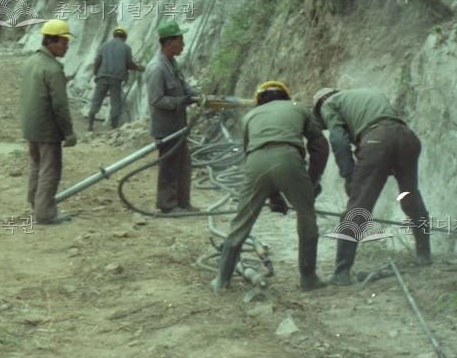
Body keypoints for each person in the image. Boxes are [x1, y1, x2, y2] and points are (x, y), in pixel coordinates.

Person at [210, 81, 329, 292]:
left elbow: (252, 155)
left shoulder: (250, 117)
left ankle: (222, 280)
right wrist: (311, 182)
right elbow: (319, 146)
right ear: (285, 96)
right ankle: (308, 279)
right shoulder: (298, 107)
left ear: (258, 101)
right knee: (306, 217)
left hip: (255, 163)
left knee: (241, 222)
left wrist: (274, 197)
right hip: (288, 157)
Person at [313, 87, 432, 285]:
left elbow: (338, 140)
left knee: (358, 207)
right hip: (407, 138)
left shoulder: (328, 104)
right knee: (410, 196)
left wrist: (349, 175)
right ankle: (424, 254)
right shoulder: (364, 95)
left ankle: (341, 273)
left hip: (378, 141)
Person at [19, 19, 77, 225]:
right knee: (50, 169)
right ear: (52, 41)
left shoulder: (31, 62)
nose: (66, 47)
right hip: (47, 129)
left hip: (31, 126)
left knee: (36, 165)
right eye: (64, 42)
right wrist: (68, 132)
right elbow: (60, 106)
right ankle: (45, 213)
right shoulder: (52, 69)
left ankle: (35, 202)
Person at [143, 20, 197, 213]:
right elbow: (156, 100)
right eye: (180, 40)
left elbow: (184, 87)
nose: (183, 44)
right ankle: (167, 204)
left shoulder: (172, 63)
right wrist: (181, 101)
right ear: (168, 43)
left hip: (178, 125)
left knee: (183, 164)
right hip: (166, 127)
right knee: (169, 166)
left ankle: (183, 203)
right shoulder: (156, 68)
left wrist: (194, 96)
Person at [88, 26, 143, 131]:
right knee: (115, 103)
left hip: (102, 76)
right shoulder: (126, 48)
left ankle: (90, 126)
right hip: (116, 79)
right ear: (124, 37)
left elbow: (97, 60)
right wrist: (139, 67)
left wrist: (96, 73)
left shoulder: (104, 45)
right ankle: (113, 128)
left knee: (96, 100)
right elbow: (129, 64)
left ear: (114, 35)